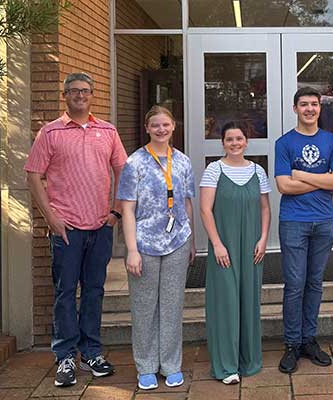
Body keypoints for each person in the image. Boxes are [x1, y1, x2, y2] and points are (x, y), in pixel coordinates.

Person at [25, 72, 127, 386]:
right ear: (65, 96)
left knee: (94, 292)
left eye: (85, 91)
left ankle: (92, 352)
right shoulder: (50, 133)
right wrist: (51, 219)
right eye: (74, 91)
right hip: (66, 228)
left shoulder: (107, 130)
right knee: (65, 293)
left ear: (92, 95)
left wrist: (116, 212)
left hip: (100, 226)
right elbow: (33, 176)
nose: (80, 95)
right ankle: (66, 357)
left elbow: (123, 170)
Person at [117, 105, 196, 390]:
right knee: (144, 306)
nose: (161, 130)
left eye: (166, 125)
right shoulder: (134, 163)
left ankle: (171, 364)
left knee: (173, 305)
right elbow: (127, 209)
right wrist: (132, 250)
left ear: (173, 126)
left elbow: (186, 203)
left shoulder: (184, 162)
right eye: (155, 126)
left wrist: (192, 240)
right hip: (145, 243)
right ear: (147, 129)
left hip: (177, 241)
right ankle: (146, 365)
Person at [275, 87, 333, 374]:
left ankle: (309, 340)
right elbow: (283, 185)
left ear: (320, 108)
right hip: (294, 221)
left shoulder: (331, 141)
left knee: (315, 283)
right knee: (295, 285)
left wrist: (302, 174)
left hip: (324, 221)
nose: (309, 109)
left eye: (314, 104)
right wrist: (323, 179)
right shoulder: (284, 143)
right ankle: (292, 343)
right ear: (295, 109)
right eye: (304, 104)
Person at [200, 121, 271, 385]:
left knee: (248, 301)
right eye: (229, 139)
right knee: (226, 303)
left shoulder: (258, 171)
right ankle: (226, 365)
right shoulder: (213, 170)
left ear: (246, 141)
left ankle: (248, 361)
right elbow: (205, 210)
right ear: (223, 143)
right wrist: (217, 244)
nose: (234, 143)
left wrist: (264, 239)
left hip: (252, 246)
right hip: (225, 247)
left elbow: (265, 208)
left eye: (239, 139)